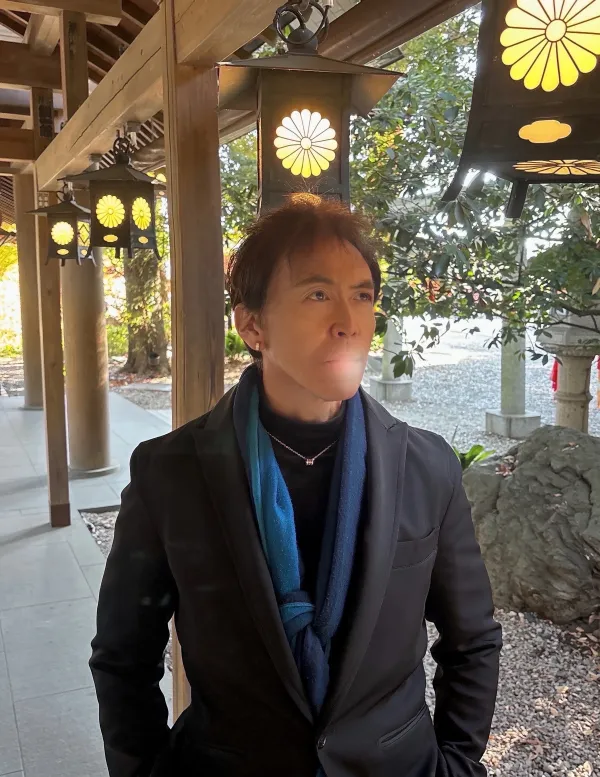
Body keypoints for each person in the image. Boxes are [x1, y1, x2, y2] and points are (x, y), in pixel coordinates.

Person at [90, 194, 502, 777]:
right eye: (318, 295)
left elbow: (472, 639)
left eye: (363, 295)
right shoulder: (172, 472)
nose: (349, 320)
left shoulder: (425, 467)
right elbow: (124, 656)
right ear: (251, 325)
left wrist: (458, 764)